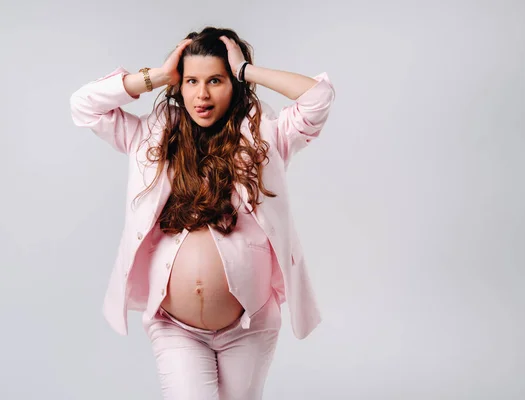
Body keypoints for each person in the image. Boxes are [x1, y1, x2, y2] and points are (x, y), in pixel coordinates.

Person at [69, 26, 335, 399]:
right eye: (191, 81)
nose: (202, 94)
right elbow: (83, 105)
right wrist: (157, 76)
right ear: (179, 85)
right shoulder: (150, 137)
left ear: (234, 84)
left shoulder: (267, 137)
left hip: (250, 324)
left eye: (216, 80)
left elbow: (318, 97)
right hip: (175, 325)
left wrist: (247, 71)